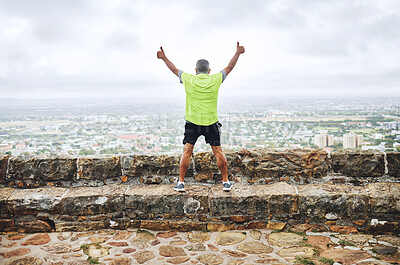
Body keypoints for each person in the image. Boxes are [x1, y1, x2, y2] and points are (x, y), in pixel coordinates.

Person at [157, 42, 245, 192]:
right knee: (218, 151)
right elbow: (229, 67)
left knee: (187, 151)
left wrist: (164, 58)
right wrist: (237, 53)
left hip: (192, 122)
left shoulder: (189, 79)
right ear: (209, 70)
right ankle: (225, 182)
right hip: (211, 122)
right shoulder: (215, 79)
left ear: (196, 70)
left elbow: (174, 69)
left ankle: (181, 183)